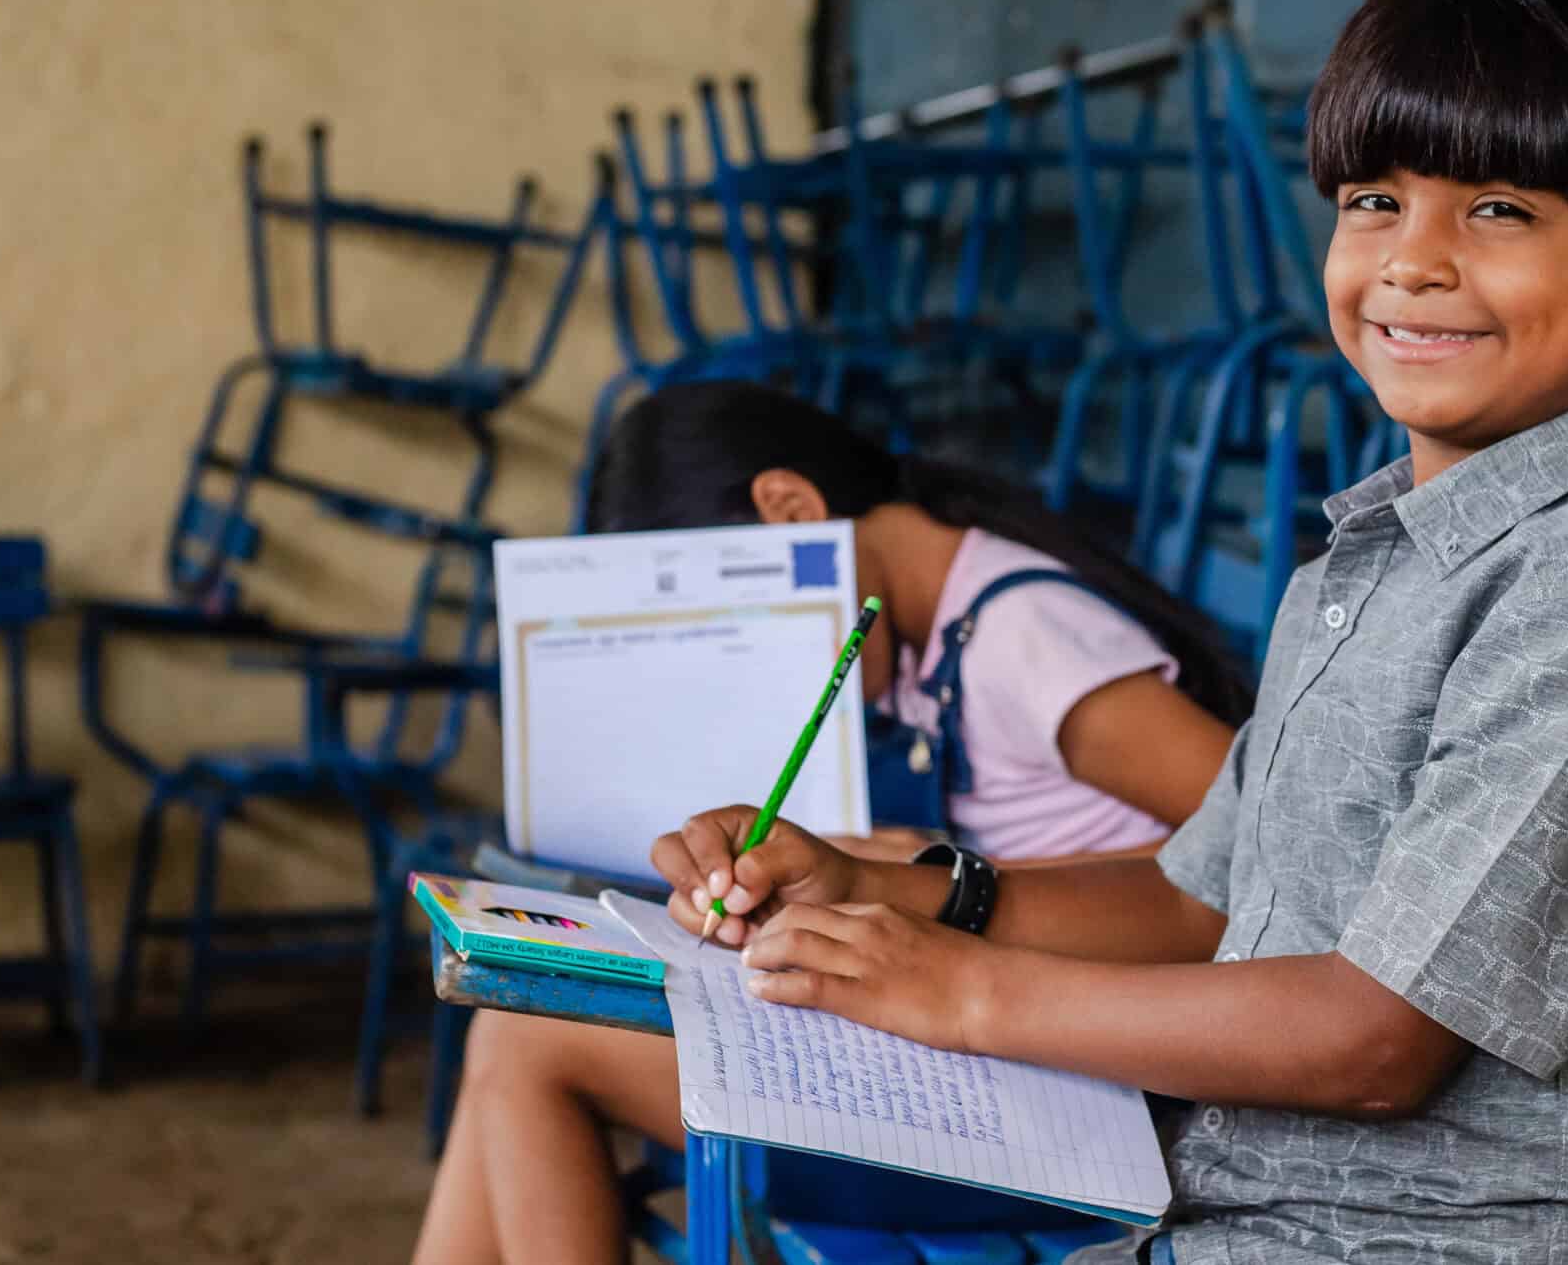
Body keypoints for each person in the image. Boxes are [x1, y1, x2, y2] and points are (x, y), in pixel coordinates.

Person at [651, 0, 1568, 1264]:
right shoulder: (1371, 557)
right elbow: (1204, 898)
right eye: (1375, 198)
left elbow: (1378, 1039)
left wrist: (957, 990)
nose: (1411, 260)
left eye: (1500, 209)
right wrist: (894, 892)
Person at [413, 380, 1250, 1265]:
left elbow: (1263, 866)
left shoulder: (1024, 635)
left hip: (1090, 1103)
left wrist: (940, 873)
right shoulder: (943, 631)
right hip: (999, 1045)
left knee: (529, 1046)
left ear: (790, 510)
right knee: (512, 1027)